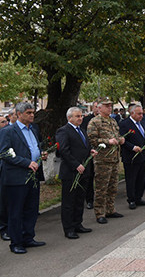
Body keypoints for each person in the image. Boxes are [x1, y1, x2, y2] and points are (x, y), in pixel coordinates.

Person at [0, 102, 47, 254]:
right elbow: (5, 153)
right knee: (16, 211)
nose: (32, 115)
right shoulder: (8, 131)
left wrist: (41, 154)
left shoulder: (33, 128)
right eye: (28, 113)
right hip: (17, 177)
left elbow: (33, 147)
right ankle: (16, 242)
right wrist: (26, 162)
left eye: (32, 112)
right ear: (19, 114)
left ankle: (28, 237)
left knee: (31, 209)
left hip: (33, 175)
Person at [56, 107, 96, 239]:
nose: (80, 118)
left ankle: (78, 224)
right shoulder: (63, 131)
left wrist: (90, 151)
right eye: (77, 116)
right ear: (70, 118)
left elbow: (84, 147)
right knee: (69, 202)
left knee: (79, 200)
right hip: (71, 172)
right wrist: (76, 165)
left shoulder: (82, 131)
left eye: (81, 116)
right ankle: (69, 229)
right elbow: (64, 151)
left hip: (84, 171)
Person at [87, 97, 125, 224]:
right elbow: (91, 140)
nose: (110, 108)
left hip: (114, 158)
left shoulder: (113, 121)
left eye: (110, 105)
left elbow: (116, 136)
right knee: (101, 188)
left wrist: (120, 139)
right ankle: (99, 213)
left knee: (113, 187)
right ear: (99, 108)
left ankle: (110, 209)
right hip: (102, 160)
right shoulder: (95, 122)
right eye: (107, 106)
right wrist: (106, 141)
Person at [119, 104, 145, 210]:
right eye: (139, 114)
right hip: (131, 157)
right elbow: (122, 140)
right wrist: (133, 147)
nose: (141, 116)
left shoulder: (143, 122)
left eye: (142, 113)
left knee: (142, 178)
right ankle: (132, 199)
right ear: (132, 113)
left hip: (143, 155)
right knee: (131, 179)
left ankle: (139, 197)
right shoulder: (124, 124)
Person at [80, 101, 98, 210]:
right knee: (89, 177)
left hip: (104, 154)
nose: (98, 109)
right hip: (90, 153)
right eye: (96, 107)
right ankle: (90, 200)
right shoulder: (87, 120)